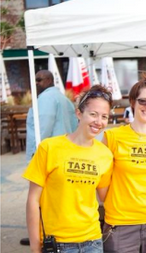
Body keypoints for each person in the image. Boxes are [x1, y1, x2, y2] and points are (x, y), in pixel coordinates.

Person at [24, 85, 114, 253]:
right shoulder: (49, 147)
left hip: (92, 241)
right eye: (93, 114)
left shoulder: (105, 155)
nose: (98, 121)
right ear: (79, 113)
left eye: (104, 116)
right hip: (58, 243)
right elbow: (32, 201)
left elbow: (106, 197)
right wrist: (35, 247)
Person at [102, 75, 146, 253]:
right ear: (132, 102)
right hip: (121, 223)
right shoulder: (112, 137)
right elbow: (101, 182)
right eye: (143, 101)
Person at [26, 70, 78, 162]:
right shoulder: (64, 98)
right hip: (65, 150)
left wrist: (35, 150)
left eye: (39, 80)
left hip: (50, 153)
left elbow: (43, 128)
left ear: (49, 80)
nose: (36, 83)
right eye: (35, 81)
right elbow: (74, 126)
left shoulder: (46, 98)